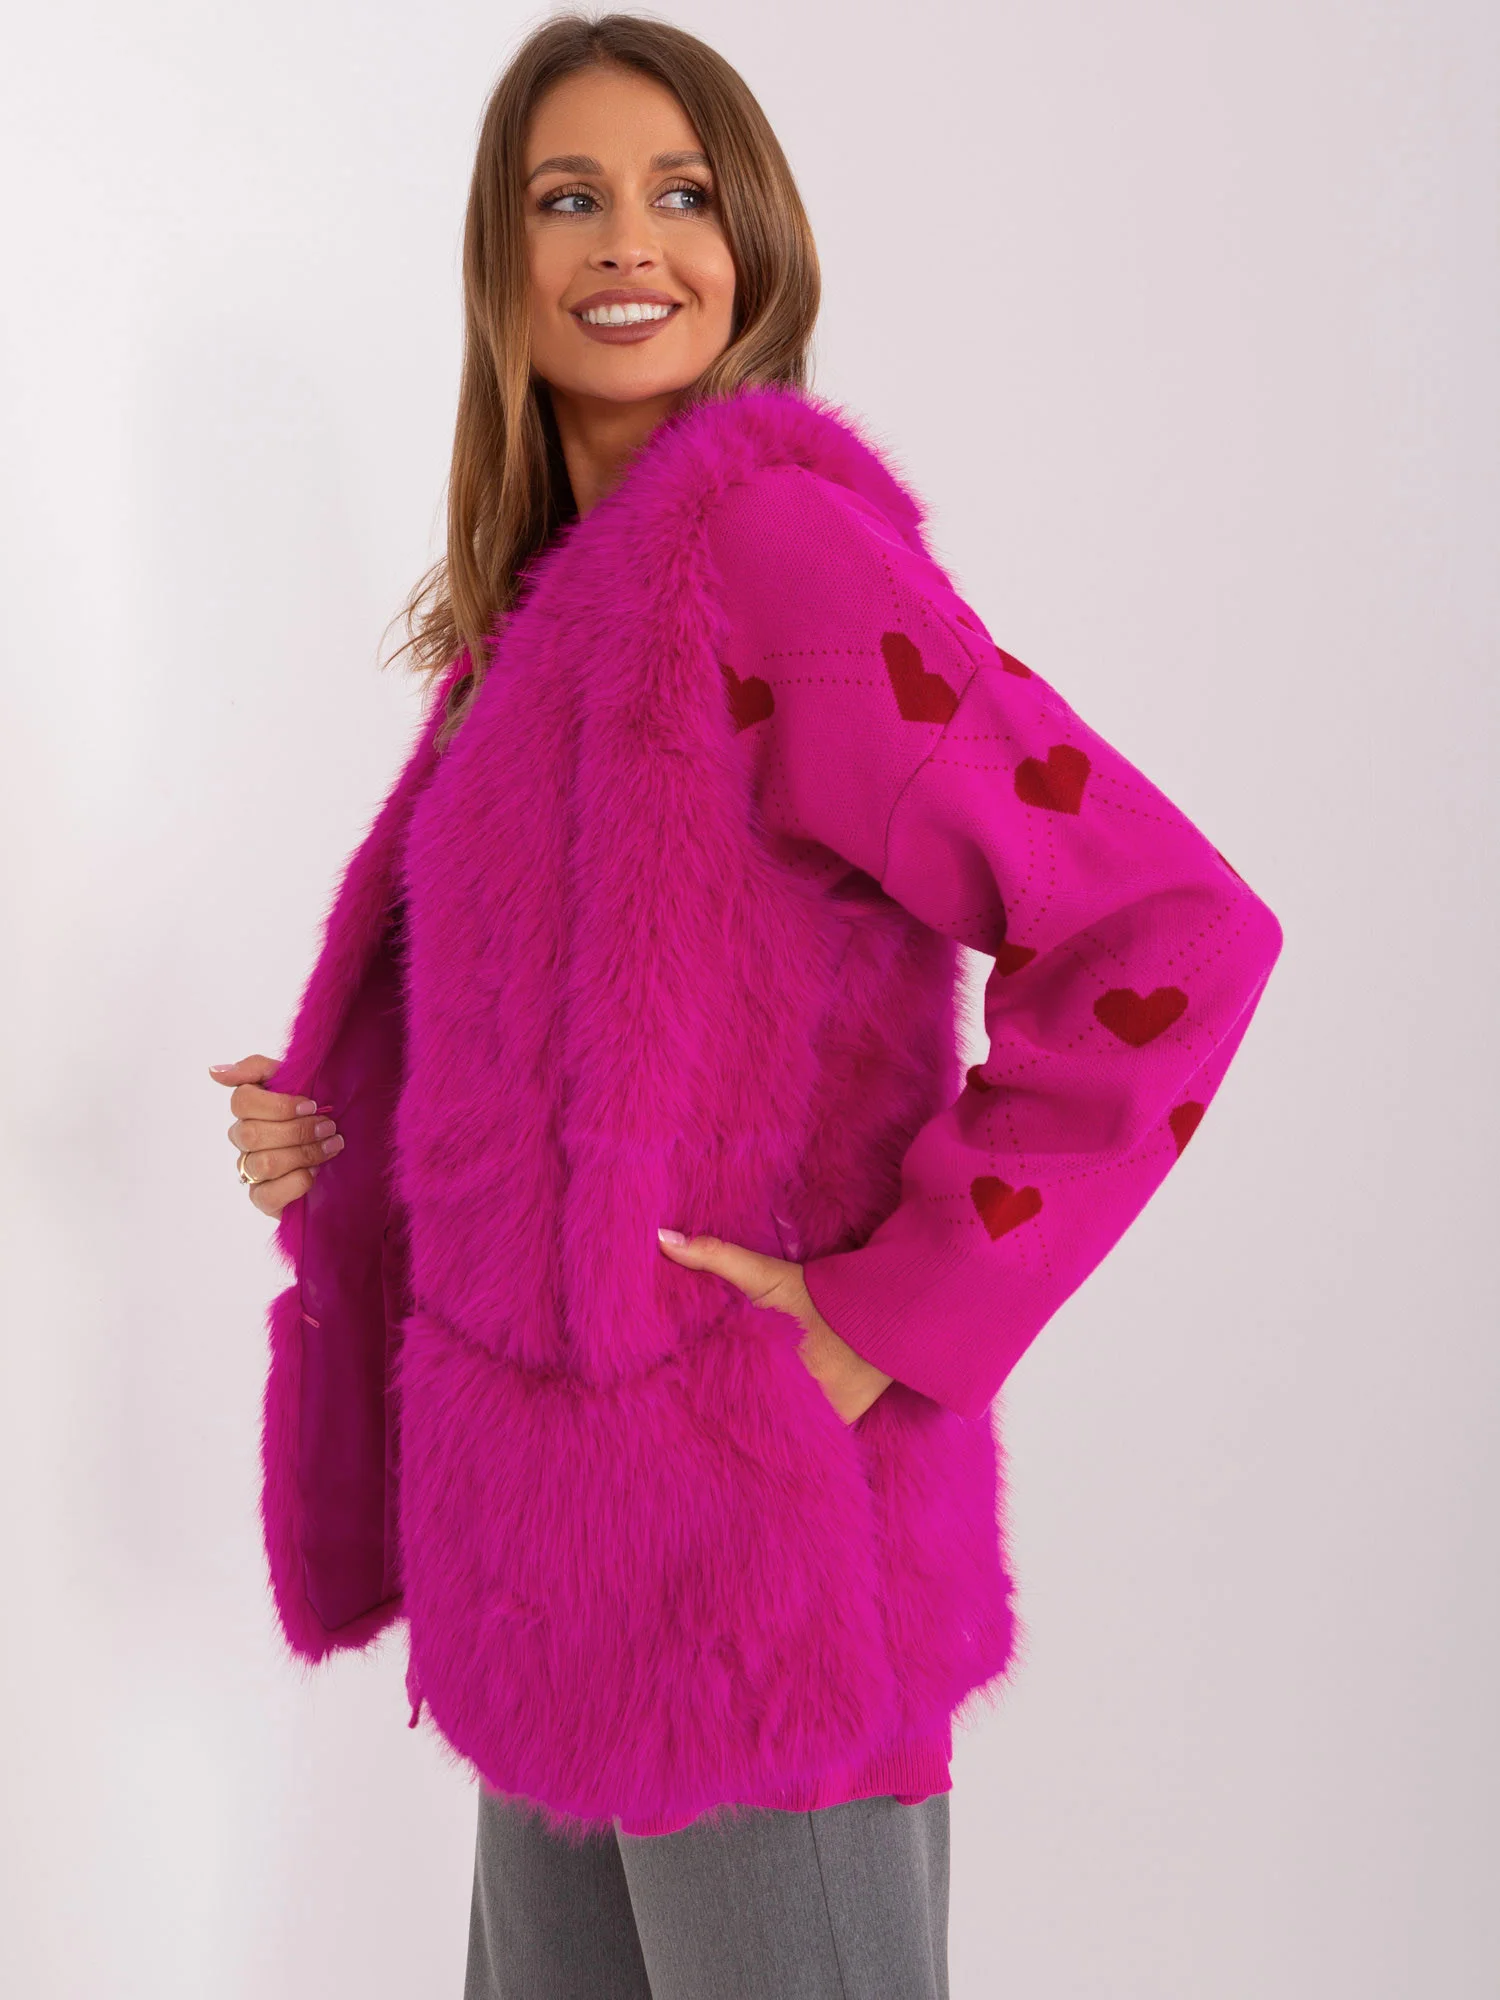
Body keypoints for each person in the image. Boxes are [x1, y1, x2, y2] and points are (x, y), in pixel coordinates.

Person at [208, 14, 1284, 1997]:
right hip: (549, 1571)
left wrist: (900, 1309)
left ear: (752, 243)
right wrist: (347, 1129)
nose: (631, 240)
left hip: (762, 1561)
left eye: (681, 192)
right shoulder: (540, 619)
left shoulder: (776, 559)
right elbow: (581, 1043)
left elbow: (1168, 933)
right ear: (502, 259)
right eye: (571, 197)